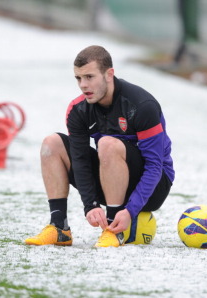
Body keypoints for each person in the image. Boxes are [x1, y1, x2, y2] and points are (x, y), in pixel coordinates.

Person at [25, 45, 175, 248]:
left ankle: (113, 228)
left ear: (109, 74)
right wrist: (90, 205)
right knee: (51, 144)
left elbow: (155, 166)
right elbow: (80, 160)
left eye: (89, 77)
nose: (83, 85)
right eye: (78, 78)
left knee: (107, 144)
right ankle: (59, 227)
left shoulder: (142, 105)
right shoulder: (78, 110)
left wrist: (130, 211)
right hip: (110, 181)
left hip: (154, 187)